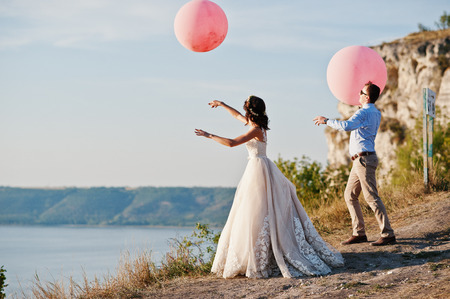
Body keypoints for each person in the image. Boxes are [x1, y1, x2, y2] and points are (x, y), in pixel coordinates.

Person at [195, 95, 344, 278]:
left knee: (256, 211)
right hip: (260, 167)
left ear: (250, 111)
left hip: (257, 171)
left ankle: (261, 257)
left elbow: (232, 143)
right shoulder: (257, 125)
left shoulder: (256, 129)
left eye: (246, 108)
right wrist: (222, 104)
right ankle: (261, 252)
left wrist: (209, 135)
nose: (243, 112)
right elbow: (236, 116)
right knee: (257, 211)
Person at [313, 82, 396, 246]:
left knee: (371, 196)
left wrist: (327, 120)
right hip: (361, 160)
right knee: (349, 195)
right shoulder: (375, 112)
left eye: (361, 92)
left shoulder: (364, 112)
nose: (358, 95)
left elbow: (346, 126)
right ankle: (359, 233)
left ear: (366, 97)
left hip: (363, 160)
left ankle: (387, 234)